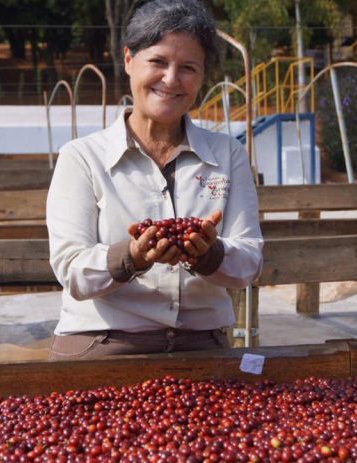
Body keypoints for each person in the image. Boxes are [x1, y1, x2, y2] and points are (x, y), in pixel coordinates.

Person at [46, 0, 263, 360]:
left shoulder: (228, 155)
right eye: (158, 62)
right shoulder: (83, 157)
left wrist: (210, 254)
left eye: (188, 68)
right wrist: (131, 256)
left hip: (201, 344)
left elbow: (249, 261)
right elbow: (71, 269)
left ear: (202, 76)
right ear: (129, 60)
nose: (171, 79)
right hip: (103, 343)